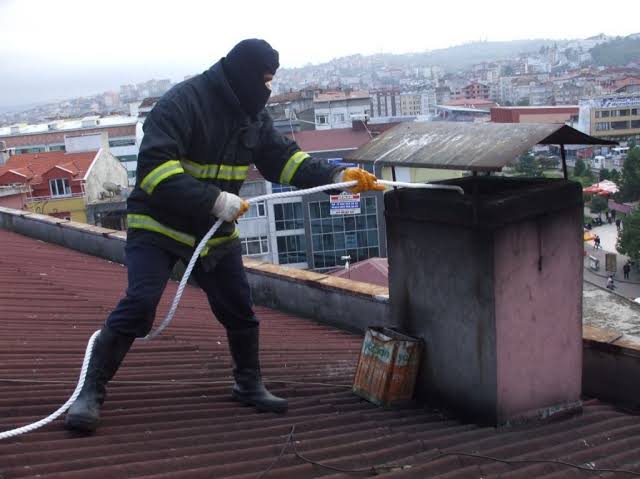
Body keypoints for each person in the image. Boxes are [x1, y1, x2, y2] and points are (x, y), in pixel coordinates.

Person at [64, 39, 385, 433]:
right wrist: (214, 201)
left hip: (213, 233)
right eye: (265, 80)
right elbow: (154, 171)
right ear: (243, 75)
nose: (268, 89)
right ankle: (90, 392)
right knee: (140, 303)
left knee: (239, 309)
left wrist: (337, 177)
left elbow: (283, 160)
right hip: (159, 226)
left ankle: (247, 383)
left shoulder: (252, 113)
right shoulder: (183, 104)